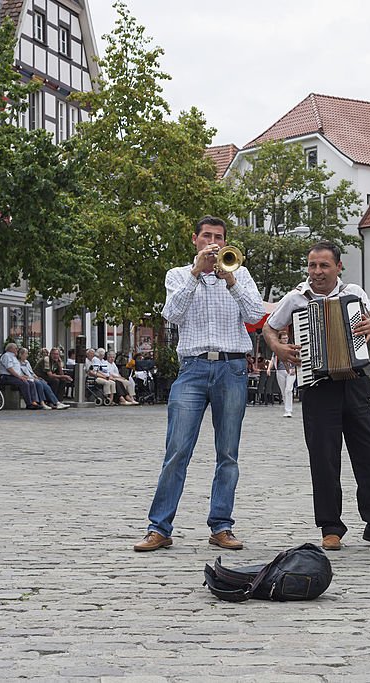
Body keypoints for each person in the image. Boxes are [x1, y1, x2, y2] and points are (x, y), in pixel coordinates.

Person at [264, 240, 370, 551]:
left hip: (354, 382)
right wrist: (278, 348)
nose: (317, 272)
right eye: (312, 265)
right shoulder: (295, 298)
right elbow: (269, 329)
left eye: (323, 265)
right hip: (317, 386)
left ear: (338, 267)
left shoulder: (353, 293)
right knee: (324, 458)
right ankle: (330, 527)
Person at [134, 216, 265, 553]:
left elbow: (254, 315)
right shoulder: (178, 275)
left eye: (219, 237)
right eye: (207, 236)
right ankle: (159, 528)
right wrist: (196, 273)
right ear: (195, 240)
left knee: (228, 454)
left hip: (231, 367)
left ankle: (221, 526)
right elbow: (171, 314)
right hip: (192, 369)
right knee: (177, 450)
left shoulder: (240, 274)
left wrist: (230, 280)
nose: (213, 242)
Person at [0, 342, 42, 409]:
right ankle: (29, 404)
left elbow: (17, 369)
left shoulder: (13, 357)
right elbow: (9, 369)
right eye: (16, 348)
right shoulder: (7, 356)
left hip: (14, 376)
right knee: (24, 383)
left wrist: (22, 376)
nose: (17, 349)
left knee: (31, 383)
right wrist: (19, 377)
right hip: (7, 377)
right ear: (10, 349)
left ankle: (34, 402)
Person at [267, 332, 296, 417]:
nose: (285, 340)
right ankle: (286, 408)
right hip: (280, 371)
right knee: (283, 391)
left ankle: (288, 410)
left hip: (290, 371)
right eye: (284, 338)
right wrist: (269, 368)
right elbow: (272, 360)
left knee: (288, 390)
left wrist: (294, 368)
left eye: (286, 338)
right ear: (280, 339)